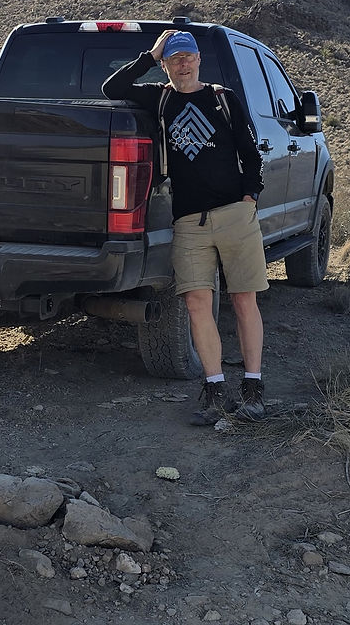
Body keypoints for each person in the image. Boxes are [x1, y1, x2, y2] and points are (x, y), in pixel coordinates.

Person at [102, 28, 268, 425]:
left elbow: (251, 153)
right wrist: (150, 52)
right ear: (166, 64)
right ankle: (214, 389)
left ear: (198, 59)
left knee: (244, 299)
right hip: (189, 221)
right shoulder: (160, 98)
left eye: (188, 55)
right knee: (196, 303)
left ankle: (253, 386)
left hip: (234, 214)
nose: (183, 62)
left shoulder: (222, 99)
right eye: (174, 58)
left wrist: (250, 198)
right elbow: (113, 87)